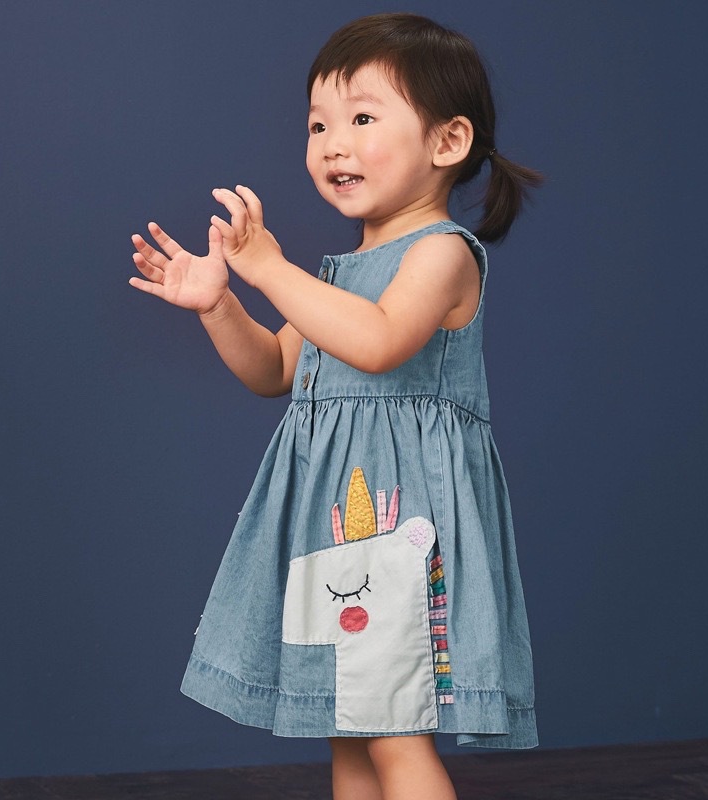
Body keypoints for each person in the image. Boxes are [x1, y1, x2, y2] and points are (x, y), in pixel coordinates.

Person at [130, 13, 542, 800]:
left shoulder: (441, 253)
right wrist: (220, 303)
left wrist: (269, 268)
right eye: (318, 124)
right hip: (339, 533)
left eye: (361, 118)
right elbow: (274, 370)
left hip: (398, 530)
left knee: (394, 737)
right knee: (349, 736)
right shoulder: (341, 273)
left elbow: (379, 342)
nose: (332, 144)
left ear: (448, 141)